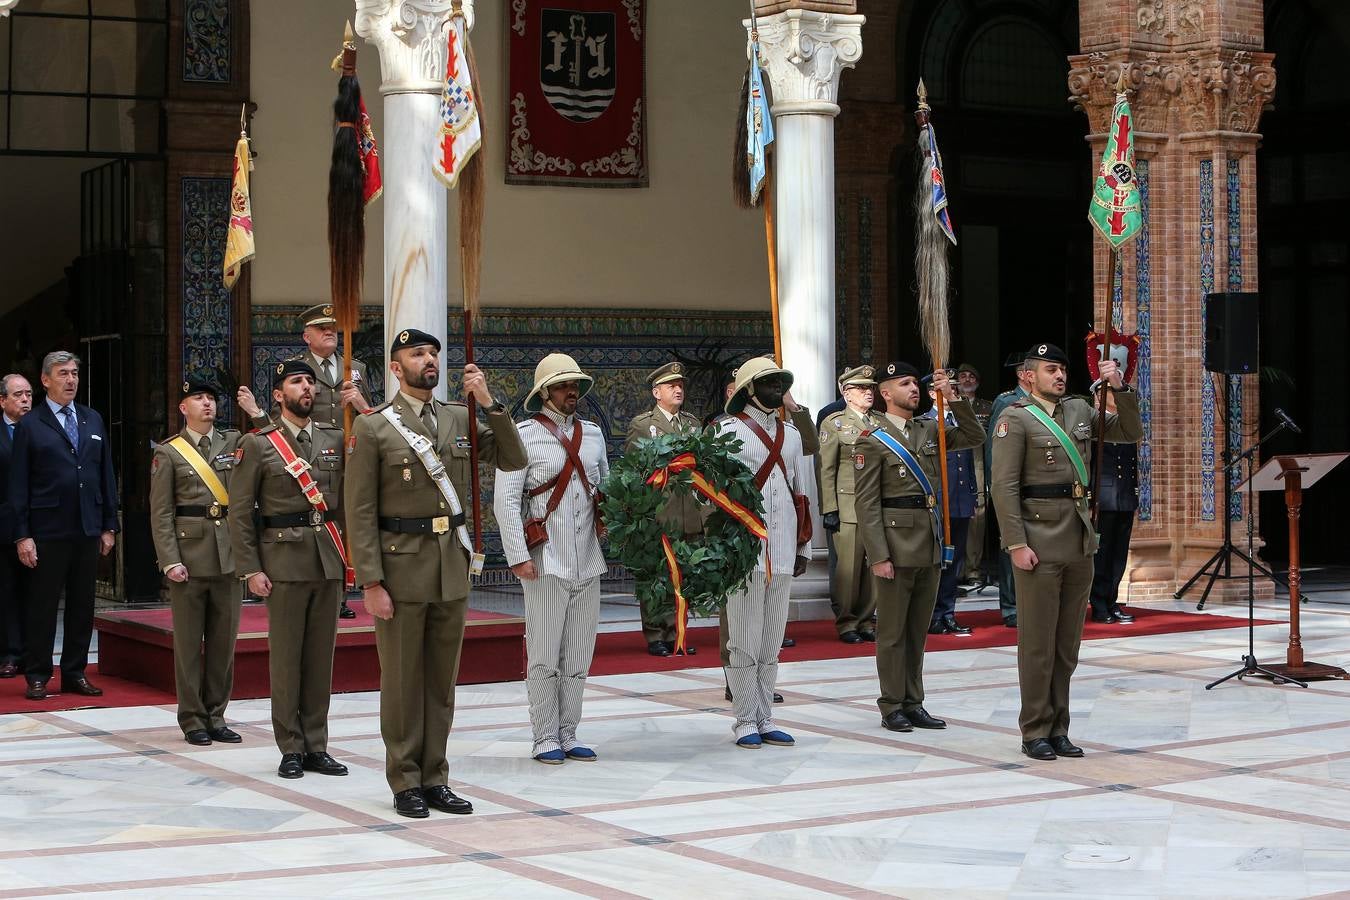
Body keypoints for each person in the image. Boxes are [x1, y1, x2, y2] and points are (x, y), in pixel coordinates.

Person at [346, 329, 526, 818]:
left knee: (440, 684)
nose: (428, 360)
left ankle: (435, 777)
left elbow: (514, 457)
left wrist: (488, 402)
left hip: (450, 565)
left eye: (432, 353)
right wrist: (372, 581)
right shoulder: (374, 426)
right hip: (400, 568)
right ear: (395, 367)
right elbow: (359, 510)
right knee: (403, 681)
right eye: (416, 353)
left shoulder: (457, 416)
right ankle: (405, 780)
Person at [989, 342, 1141, 761]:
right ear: (1027, 375)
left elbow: (1128, 431)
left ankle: (1060, 728)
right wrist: (1016, 543)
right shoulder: (1014, 419)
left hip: (1078, 537)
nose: (1060, 376)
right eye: (1050, 369)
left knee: (1066, 644)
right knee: (1037, 643)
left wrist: (1118, 387)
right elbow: (1003, 487)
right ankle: (1034, 729)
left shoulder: (1078, 410)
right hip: (1038, 538)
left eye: (1062, 370)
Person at [229, 359, 349, 780]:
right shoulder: (258, 443)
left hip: (326, 561)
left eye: (310, 382)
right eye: (297, 382)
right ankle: (291, 747)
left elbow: (347, 508)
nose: (307, 389)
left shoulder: (334, 438)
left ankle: (317, 744)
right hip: (281, 563)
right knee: (286, 660)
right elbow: (240, 514)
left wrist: (351, 561)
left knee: (321, 660)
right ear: (278, 395)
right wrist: (250, 569)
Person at [855, 362, 984, 733]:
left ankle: (914, 701)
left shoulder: (931, 428)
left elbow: (974, 435)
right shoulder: (871, 438)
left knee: (917, 630)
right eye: (905, 383)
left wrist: (954, 397)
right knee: (893, 632)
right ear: (885, 392)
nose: (914, 388)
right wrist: (878, 555)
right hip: (895, 544)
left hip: (928, 539)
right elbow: (866, 504)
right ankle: (891, 703)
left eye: (916, 383)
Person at [494, 353, 610, 764]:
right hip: (544, 559)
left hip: (588, 560)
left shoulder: (593, 435)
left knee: (579, 653)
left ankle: (569, 731)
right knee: (544, 655)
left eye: (575, 384)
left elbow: (605, 490)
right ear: (544, 392)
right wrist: (517, 556)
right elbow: (505, 501)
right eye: (562, 385)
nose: (571, 391)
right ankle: (544, 735)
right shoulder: (522, 435)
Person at [238, 304, 372, 620]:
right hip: (305, 461)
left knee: (344, 520)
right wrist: (256, 413)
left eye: (333, 328)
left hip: (345, 457)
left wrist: (361, 403)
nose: (330, 332)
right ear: (306, 336)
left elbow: (372, 421)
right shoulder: (295, 370)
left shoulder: (356, 368)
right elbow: (276, 429)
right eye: (322, 328)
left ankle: (339, 588)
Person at [712, 356, 812, 748]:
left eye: (780, 384)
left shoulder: (791, 435)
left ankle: (765, 715)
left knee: (772, 638)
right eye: (769, 384)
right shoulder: (725, 430)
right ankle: (744, 720)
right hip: (743, 549)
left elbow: (802, 492)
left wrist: (804, 544)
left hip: (784, 544)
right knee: (742, 638)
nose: (777, 391)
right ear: (749, 389)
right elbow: (714, 493)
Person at [9, 351, 118, 701]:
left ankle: (74, 672)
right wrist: (23, 534)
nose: (70, 380)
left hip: (87, 526)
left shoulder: (92, 419)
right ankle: (38, 674)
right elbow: (18, 485)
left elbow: (105, 475)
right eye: (62, 374)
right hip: (47, 528)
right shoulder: (31, 424)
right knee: (42, 605)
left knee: (83, 605)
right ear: (45, 380)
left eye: (74, 373)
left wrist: (109, 525)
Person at [148, 378, 245, 746]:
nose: (207, 404)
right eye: (198, 398)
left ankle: (216, 714)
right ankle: (192, 718)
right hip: (189, 557)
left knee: (224, 643)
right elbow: (161, 513)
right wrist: (169, 560)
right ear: (182, 407)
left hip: (228, 556)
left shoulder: (234, 442)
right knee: (189, 645)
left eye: (211, 399)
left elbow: (273, 441)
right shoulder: (170, 452)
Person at [624, 361, 703, 657]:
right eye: (672, 385)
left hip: (688, 512)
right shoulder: (643, 425)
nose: (678, 389)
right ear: (657, 392)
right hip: (658, 512)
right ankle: (657, 633)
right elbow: (633, 472)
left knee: (682, 575)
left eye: (681, 385)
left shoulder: (693, 424)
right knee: (656, 576)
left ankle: (678, 632)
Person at [817, 365, 880, 644]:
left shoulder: (880, 422)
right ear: (846, 393)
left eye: (871, 388)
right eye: (861, 388)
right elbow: (826, 469)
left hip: (876, 505)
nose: (868, 392)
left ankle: (867, 619)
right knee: (848, 570)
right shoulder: (835, 423)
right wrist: (829, 508)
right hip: (848, 505)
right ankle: (847, 622)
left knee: (873, 568)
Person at [922, 377, 979, 636]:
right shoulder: (925, 423)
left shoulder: (960, 422)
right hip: (939, 502)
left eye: (954, 388)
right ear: (932, 394)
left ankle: (948, 612)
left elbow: (967, 464)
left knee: (954, 562)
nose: (951, 391)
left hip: (960, 501)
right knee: (937, 563)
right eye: (946, 389)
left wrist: (972, 496)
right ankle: (932, 613)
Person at [986, 355, 1035, 627]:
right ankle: (1010, 606)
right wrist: (997, 486)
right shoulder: (1007, 401)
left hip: (1034, 489)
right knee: (1011, 546)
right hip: (1011, 487)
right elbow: (996, 448)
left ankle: (1027, 603)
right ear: (1023, 374)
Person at [1089, 387, 1139, 625]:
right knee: (1102, 554)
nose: (1115, 397)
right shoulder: (1093, 425)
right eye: (1109, 392)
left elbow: (1132, 464)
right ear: (1098, 396)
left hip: (1124, 497)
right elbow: (1088, 464)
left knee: (1119, 556)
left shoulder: (1125, 424)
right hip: (1103, 499)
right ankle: (1099, 604)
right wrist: (1090, 499)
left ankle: (1112, 601)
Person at [0, 373, 34, 678]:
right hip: (3, 527)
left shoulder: (40, 430)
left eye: (28, 395)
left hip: (37, 525)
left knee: (35, 591)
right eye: (18, 395)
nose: (25, 400)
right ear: (3, 400)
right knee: (7, 590)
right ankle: (10, 652)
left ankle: (34, 653)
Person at [954, 363, 992, 588]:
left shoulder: (987, 407)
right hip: (955, 464)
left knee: (977, 519)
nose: (967, 380)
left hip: (978, 465)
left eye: (971, 376)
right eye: (963, 376)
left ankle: (973, 569)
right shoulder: (949, 405)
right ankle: (955, 569)